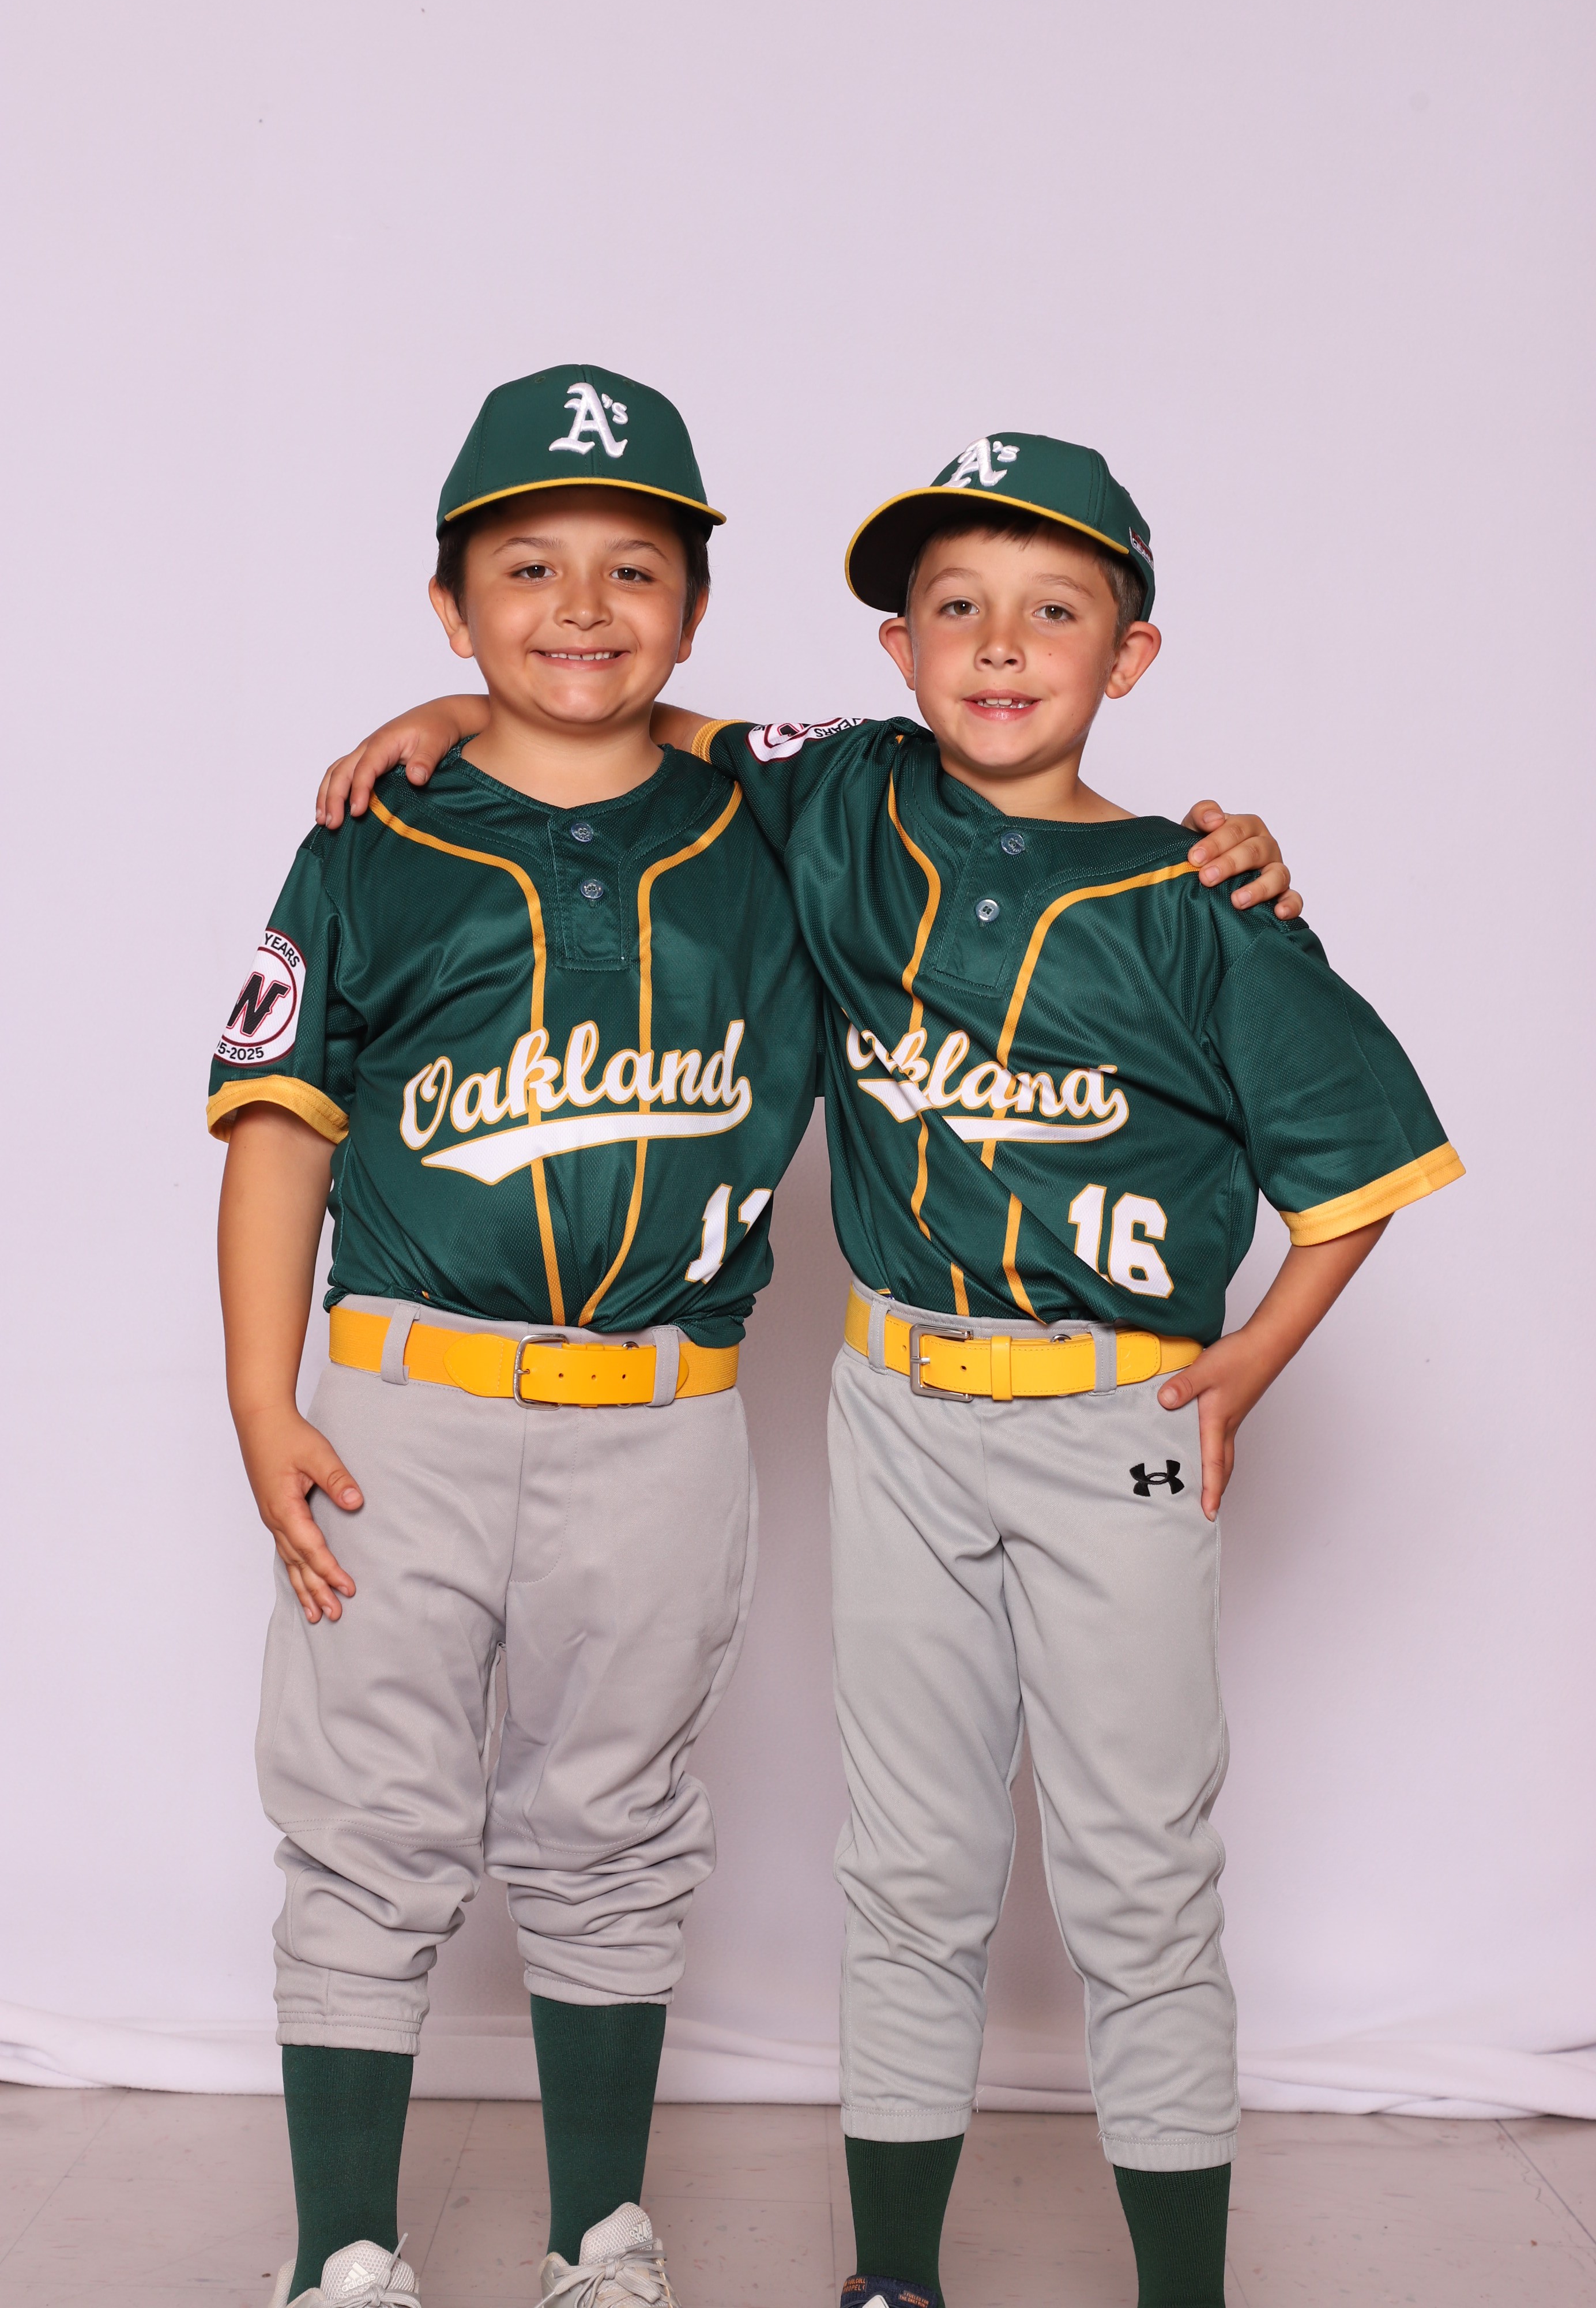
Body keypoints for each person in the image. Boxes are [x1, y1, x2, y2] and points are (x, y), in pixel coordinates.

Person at [313, 436, 1337, 2308]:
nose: (1001, 645)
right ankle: (892, 2277)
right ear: (895, 648)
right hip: (900, 1402)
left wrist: (1253, 1359)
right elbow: (623, 708)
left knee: (1137, 1869)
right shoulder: (845, 791)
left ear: (1134, 653)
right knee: (912, 1862)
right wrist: (456, 711)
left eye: (1054, 609)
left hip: (1118, 1403)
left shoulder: (1201, 889)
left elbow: (1354, 1170)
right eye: (956, 607)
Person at [212, 364, 825, 2308]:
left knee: (614, 1828)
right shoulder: (374, 837)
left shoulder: (780, 831)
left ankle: (600, 2237)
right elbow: (282, 1124)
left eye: (634, 569)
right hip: (404, 1401)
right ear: (449, 605)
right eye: (527, 569)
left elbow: (972, 777)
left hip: (664, 1410)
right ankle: (341, 2253)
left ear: (697, 613)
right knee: (366, 1827)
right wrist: (259, 1398)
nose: (580, 606)